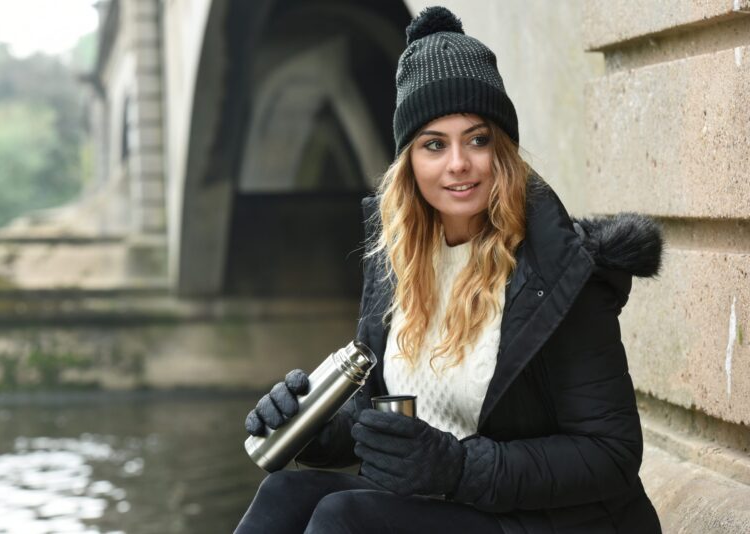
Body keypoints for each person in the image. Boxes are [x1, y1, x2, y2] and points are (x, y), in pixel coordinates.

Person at [236, 6, 663, 533]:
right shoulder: (398, 263)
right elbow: (384, 424)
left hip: (548, 521)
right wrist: (307, 426)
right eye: (434, 144)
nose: (458, 162)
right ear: (409, 162)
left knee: (343, 517)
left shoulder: (559, 269)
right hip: (444, 507)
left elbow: (610, 453)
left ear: (501, 150)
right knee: (285, 493)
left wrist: (460, 467)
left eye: (477, 139)